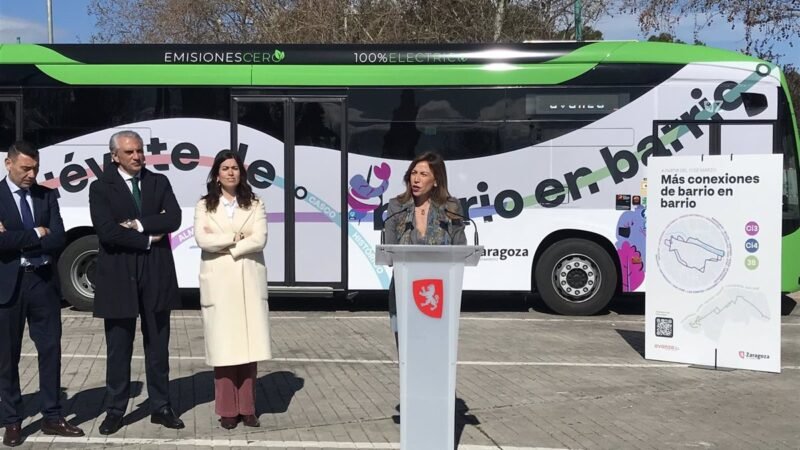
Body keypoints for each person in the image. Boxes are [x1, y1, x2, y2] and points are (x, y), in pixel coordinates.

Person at [89, 130, 184, 435]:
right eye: (129, 152)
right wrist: (146, 239)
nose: (137, 156)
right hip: (118, 276)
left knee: (158, 346)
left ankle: (161, 406)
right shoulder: (100, 188)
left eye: (140, 151)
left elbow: (174, 218)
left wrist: (138, 223)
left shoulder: (158, 181)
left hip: (156, 274)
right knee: (119, 348)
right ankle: (115, 409)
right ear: (115, 155)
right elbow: (106, 232)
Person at [0, 141, 85, 447]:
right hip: (9, 285)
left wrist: (14, 238)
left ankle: (52, 416)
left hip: (43, 283)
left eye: (35, 168)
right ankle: (12, 420)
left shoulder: (46, 195)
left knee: (50, 351)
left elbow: (59, 238)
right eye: (25, 168)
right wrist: (36, 233)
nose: (31, 174)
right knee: (7, 357)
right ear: (9, 164)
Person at [193, 150, 271, 430]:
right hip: (219, 284)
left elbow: (259, 239)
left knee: (248, 349)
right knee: (224, 349)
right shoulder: (204, 205)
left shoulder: (255, 203)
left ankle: (248, 408)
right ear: (216, 174)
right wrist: (237, 236)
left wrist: (227, 245)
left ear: (242, 173)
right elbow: (203, 240)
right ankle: (227, 409)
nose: (230, 173)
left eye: (235, 168)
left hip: (248, 281)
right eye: (225, 168)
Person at [384, 151, 467, 348]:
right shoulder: (397, 206)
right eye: (414, 173)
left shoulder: (451, 207)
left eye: (423, 174)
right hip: (403, 291)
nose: (416, 179)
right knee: (407, 352)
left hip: (439, 293)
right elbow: (389, 254)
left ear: (436, 180)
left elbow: (461, 249)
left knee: (436, 350)